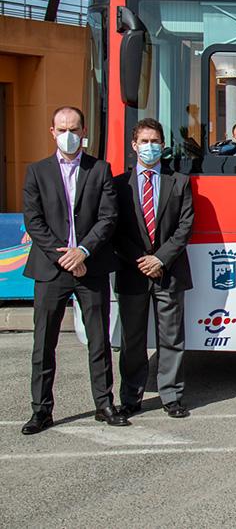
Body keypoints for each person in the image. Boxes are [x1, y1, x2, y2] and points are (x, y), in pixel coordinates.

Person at [21, 106, 125, 434]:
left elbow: (108, 217)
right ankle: (41, 410)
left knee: (99, 340)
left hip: (90, 267)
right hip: (51, 269)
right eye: (62, 128)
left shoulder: (100, 170)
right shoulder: (37, 172)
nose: (68, 134)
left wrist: (82, 251)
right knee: (44, 343)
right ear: (52, 131)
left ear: (84, 132)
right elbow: (33, 220)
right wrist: (62, 256)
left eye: (74, 128)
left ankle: (104, 403)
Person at [113, 118, 195, 419]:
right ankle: (131, 396)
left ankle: (171, 395)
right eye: (144, 141)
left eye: (155, 141)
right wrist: (142, 259)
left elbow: (185, 226)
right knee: (132, 340)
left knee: (171, 338)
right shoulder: (119, 185)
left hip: (169, 271)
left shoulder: (180, 182)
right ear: (134, 146)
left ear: (163, 145)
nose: (150, 147)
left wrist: (160, 258)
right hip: (132, 271)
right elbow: (115, 229)